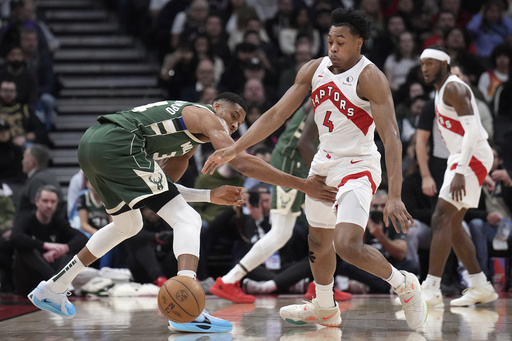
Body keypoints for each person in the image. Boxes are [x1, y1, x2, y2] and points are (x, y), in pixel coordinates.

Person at [26, 92, 337, 333]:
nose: (232, 126)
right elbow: (240, 161)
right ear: (215, 107)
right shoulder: (204, 117)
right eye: (231, 116)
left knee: (127, 224)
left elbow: (163, 189)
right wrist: (303, 185)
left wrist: (209, 195)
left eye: (238, 123)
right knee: (189, 219)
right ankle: (187, 310)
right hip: (118, 142)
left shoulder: (184, 147)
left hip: (93, 144)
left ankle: (52, 288)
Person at [202, 8, 427, 330]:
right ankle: (324, 307)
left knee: (347, 244)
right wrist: (236, 148)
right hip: (324, 162)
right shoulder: (313, 69)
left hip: (359, 165)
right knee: (318, 243)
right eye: (330, 41)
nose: (333, 48)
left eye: (341, 42)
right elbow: (277, 114)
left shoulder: (370, 77)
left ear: (359, 43)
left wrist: (394, 194)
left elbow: (391, 138)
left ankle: (404, 283)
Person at [419, 45, 499, 307]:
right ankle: (480, 285)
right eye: (422, 64)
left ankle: (431, 288)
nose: (425, 69)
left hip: (470, 155)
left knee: (441, 216)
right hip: (467, 157)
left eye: (430, 63)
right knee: (451, 224)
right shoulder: (441, 91)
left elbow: (474, 132)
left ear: (444, 64)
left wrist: (464, 171)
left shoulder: (453, 87)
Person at [10, 185, 88, 295]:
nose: (49, 205)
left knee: (69, 250)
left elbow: (82, 238)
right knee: (25, 249)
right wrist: (45, 245)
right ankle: (56, 282)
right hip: (29, 282)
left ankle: (55, 282)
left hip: (51, 271)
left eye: (53, 202)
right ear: (37, 202)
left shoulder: (58, 222)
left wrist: (64, 248)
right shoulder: (27, 219)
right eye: (45, 201)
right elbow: (14, 237)